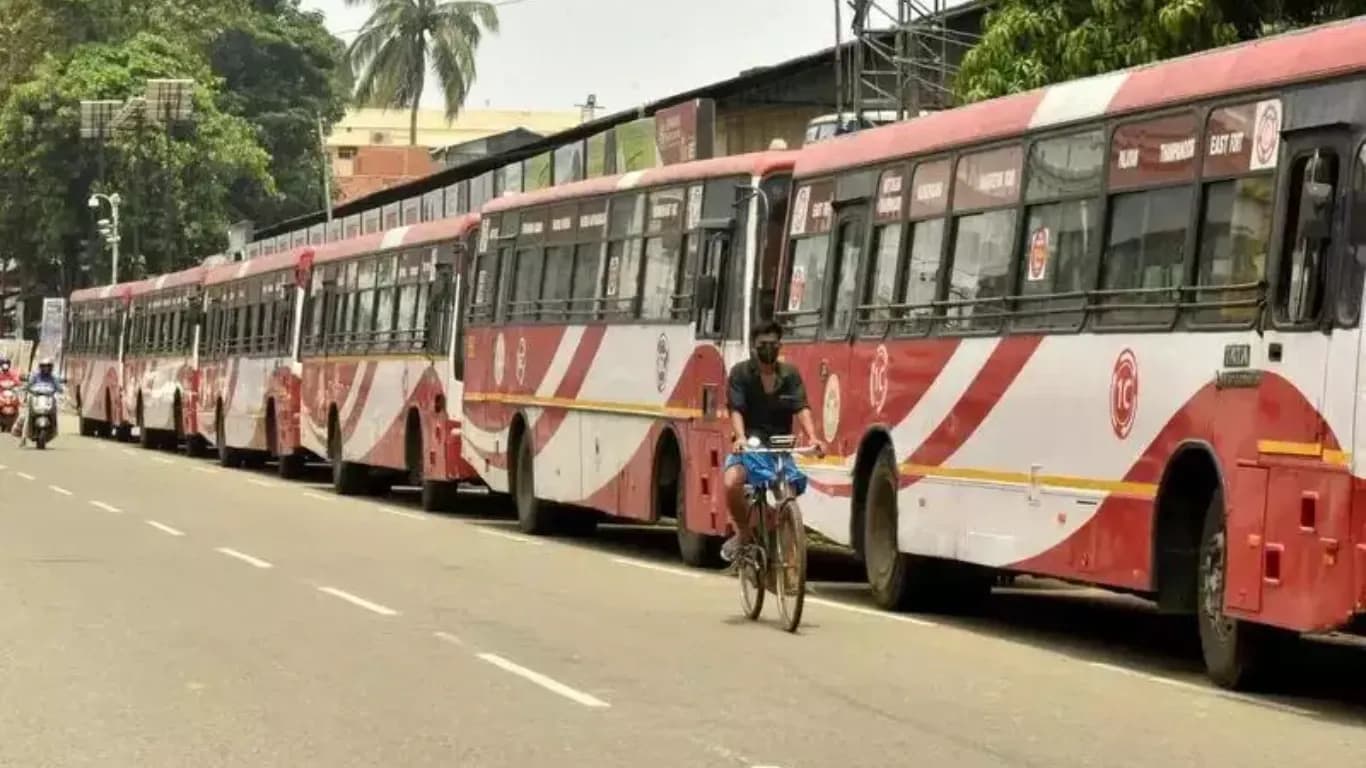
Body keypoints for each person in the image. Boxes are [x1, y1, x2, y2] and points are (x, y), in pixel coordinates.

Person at [721, 319, 827, 563]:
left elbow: (802, 407)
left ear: (779, 346)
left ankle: (788, 558)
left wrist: (813, 438)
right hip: (749, 446)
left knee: (786, 495)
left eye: (773, 343)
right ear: (753, 347)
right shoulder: (740, 374)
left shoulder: (790, 374)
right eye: (762, 344)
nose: (768, 348)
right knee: (732, 482)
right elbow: (736, 409)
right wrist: (740, 437)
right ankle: (744, 533)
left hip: (779, 448)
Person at [15, 357, 61, 447]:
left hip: (48, 398)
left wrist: (60, 389)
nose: (46, 368)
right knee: (27, 415)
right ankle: (23, 438)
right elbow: (28, 385)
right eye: (43, 366)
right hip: (35, 397)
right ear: (40, 367)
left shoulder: (53, 378)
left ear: (51, 367)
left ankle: (53, 430)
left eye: (48, 366)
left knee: (54, 412)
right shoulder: (35, 376)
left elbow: (59, 387)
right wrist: (25, 388)